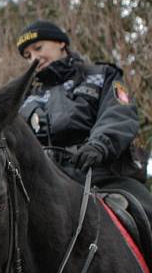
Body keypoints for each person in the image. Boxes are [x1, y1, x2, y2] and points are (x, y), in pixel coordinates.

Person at [16, 19, 152, 220]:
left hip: (104, 174)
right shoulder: (26, 98)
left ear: (61, 43)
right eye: (28, 56)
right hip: (49, 182)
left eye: (38, 48)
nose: (34, 58)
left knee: (146, 212)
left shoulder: (101, 75)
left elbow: (119, 113)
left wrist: (98, 145)